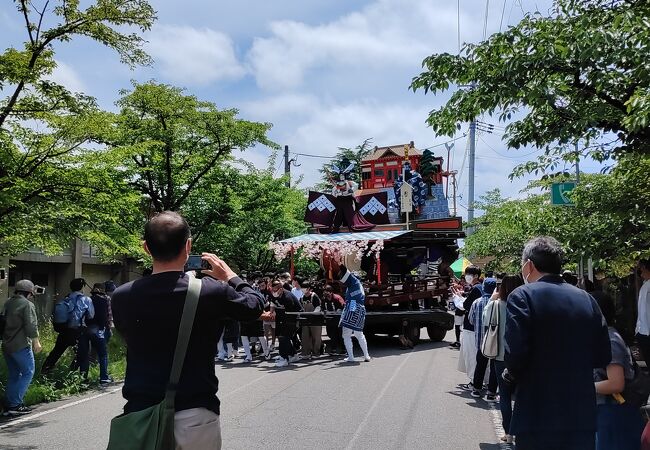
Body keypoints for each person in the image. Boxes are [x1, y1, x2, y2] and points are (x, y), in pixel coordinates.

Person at [111, 211, 264, 449]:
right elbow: (254, 306)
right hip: (195, 414)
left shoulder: (121, 296)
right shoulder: (211, 292)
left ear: (145, 248)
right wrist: (231, 276)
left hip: (141, 414)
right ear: (188, 245)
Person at [504, 236, 611, 450]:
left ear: (528, 265)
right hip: (580, 412)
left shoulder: (522, 296)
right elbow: (602, 356)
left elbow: (515, 353)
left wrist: (511, 375)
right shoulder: (587, 299)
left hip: (537, 410)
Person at [591, 291, 644, 450]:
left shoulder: (610, 339)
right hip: (609, 413)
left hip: (615, 413)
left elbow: (616, 384)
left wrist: (583, 386)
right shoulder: (603, 336)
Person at [482, 274, 523, 444]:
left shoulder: (497, 305)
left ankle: (509, 433)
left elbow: (485, 319)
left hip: (500, 356)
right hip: (522, 357)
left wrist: (492, 299)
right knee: (521, 396)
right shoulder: (524, 305)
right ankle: (521, 431)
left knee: (504, 396)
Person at [2, 280, 42, 416]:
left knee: (14, 374)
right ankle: (15, 404)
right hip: (20, 345)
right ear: (30, 292)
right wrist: (36, 342)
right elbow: (31, 324)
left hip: (7, 344)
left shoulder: (8, 302)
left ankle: (8, 405)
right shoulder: (27, 304)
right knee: (28, 372)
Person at [42, 278, 94, 374]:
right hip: (79, 331)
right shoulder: (86, 300)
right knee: (83, 355)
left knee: (56, 353)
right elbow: (91, 315)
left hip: (64, 331)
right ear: (82, 287)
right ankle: (81, 377)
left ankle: (45, 371)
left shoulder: (65, 299)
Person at [77, 283, 112, 383]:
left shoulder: (87, 300)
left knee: (85, 354)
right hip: (97, 330)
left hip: (84, 329)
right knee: (102, 354)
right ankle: (104, 378)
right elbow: (104, 318)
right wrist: (103, 328)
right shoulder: (104, 301)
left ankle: (83, 379)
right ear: (102, 292)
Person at [455, 266, 483, 388]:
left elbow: (466, 306)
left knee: (471, 355)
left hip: (471, 327)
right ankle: (479, 381)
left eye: (468, 274)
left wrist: (457, 299)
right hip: (478, 326)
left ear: (475, 276)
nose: (466, 277)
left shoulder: (476, 289)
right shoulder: (480, 288)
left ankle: (474, 381)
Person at [469, 277, 498, 399]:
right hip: (495, 342)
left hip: (481, 341)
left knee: (480, 366)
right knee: (493, 368)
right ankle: (491, 393)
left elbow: (471, 320)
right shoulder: (498, 303)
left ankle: (476, 389)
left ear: (484, 287)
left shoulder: (476, 302)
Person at [337, 265, 371, 363]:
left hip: (353, 306)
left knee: (346, 334)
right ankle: (366, 355)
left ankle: (351, 357)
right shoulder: (358, 285)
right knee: (359, 334)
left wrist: (341, 265)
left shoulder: (354, 281)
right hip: (360, 308)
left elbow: (345, 272)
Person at [269, 280, 303, 367]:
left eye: (276, 290)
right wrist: (271, 311)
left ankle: (284, 358)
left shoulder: (287, 296)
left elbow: (291, 311)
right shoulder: (274, 294)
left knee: (283, 337)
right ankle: (293, 355)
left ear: (281, 289)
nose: (274, 292)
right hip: (282, 319)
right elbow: (273, 302)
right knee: (283, 338)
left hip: (292, 319)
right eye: (273, 290)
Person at [300, 282, 323, 359]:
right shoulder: (302, 298)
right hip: (305, 320)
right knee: (305, 337)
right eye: (302, 288)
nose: (303, 290)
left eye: (305, 288)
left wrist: (314, 313)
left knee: (316, 337)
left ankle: (316, 352)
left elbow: (318, 307)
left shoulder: (314, 296)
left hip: (315, 320)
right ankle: (306, 353)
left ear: (309, 289)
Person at [635, 259, 650, 369]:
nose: (640, 271)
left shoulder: (647, 287)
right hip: (644, 331)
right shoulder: (646, 285)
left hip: (646, 331)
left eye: (641, 268)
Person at [323, 284, 345, 355]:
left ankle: (344, 350)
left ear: (331, 292)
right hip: (330, 319)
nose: (325, 293)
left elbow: (343, 306)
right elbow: (322, 308)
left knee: (340, 335)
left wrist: (338, 311)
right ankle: (333, 349)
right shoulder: (324, 299)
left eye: (327, 291)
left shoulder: (337, 298)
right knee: (331, 335)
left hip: (338, 319)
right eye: (324, 291)